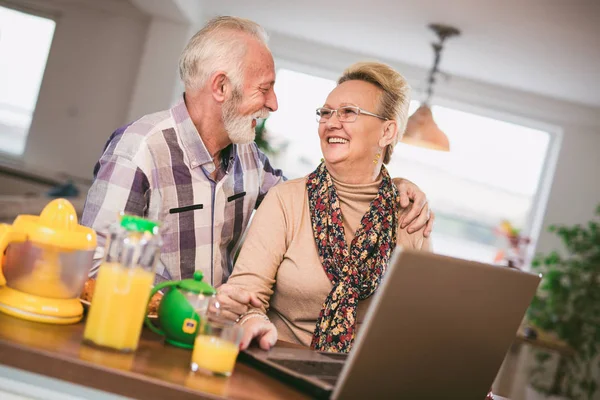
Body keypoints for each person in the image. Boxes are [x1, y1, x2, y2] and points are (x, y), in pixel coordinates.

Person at [81, 17, 432, 321]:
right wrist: (192, 305)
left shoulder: (247, 158)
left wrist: (388, 183)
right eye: (264, 89)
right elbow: (92, 270)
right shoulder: (140, 148)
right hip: (143, 332)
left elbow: (312, 196)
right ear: (221, 87)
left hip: (209, 338)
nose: (274, 104)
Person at [224, 61, 431, 353]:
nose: (331, 122)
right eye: (325, 113)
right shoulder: (286, 200)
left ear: (387, 132)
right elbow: (243, 295)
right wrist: (254, 319)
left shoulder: (410, 217)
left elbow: (417, 323)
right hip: (276, 363)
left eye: (349, 112)